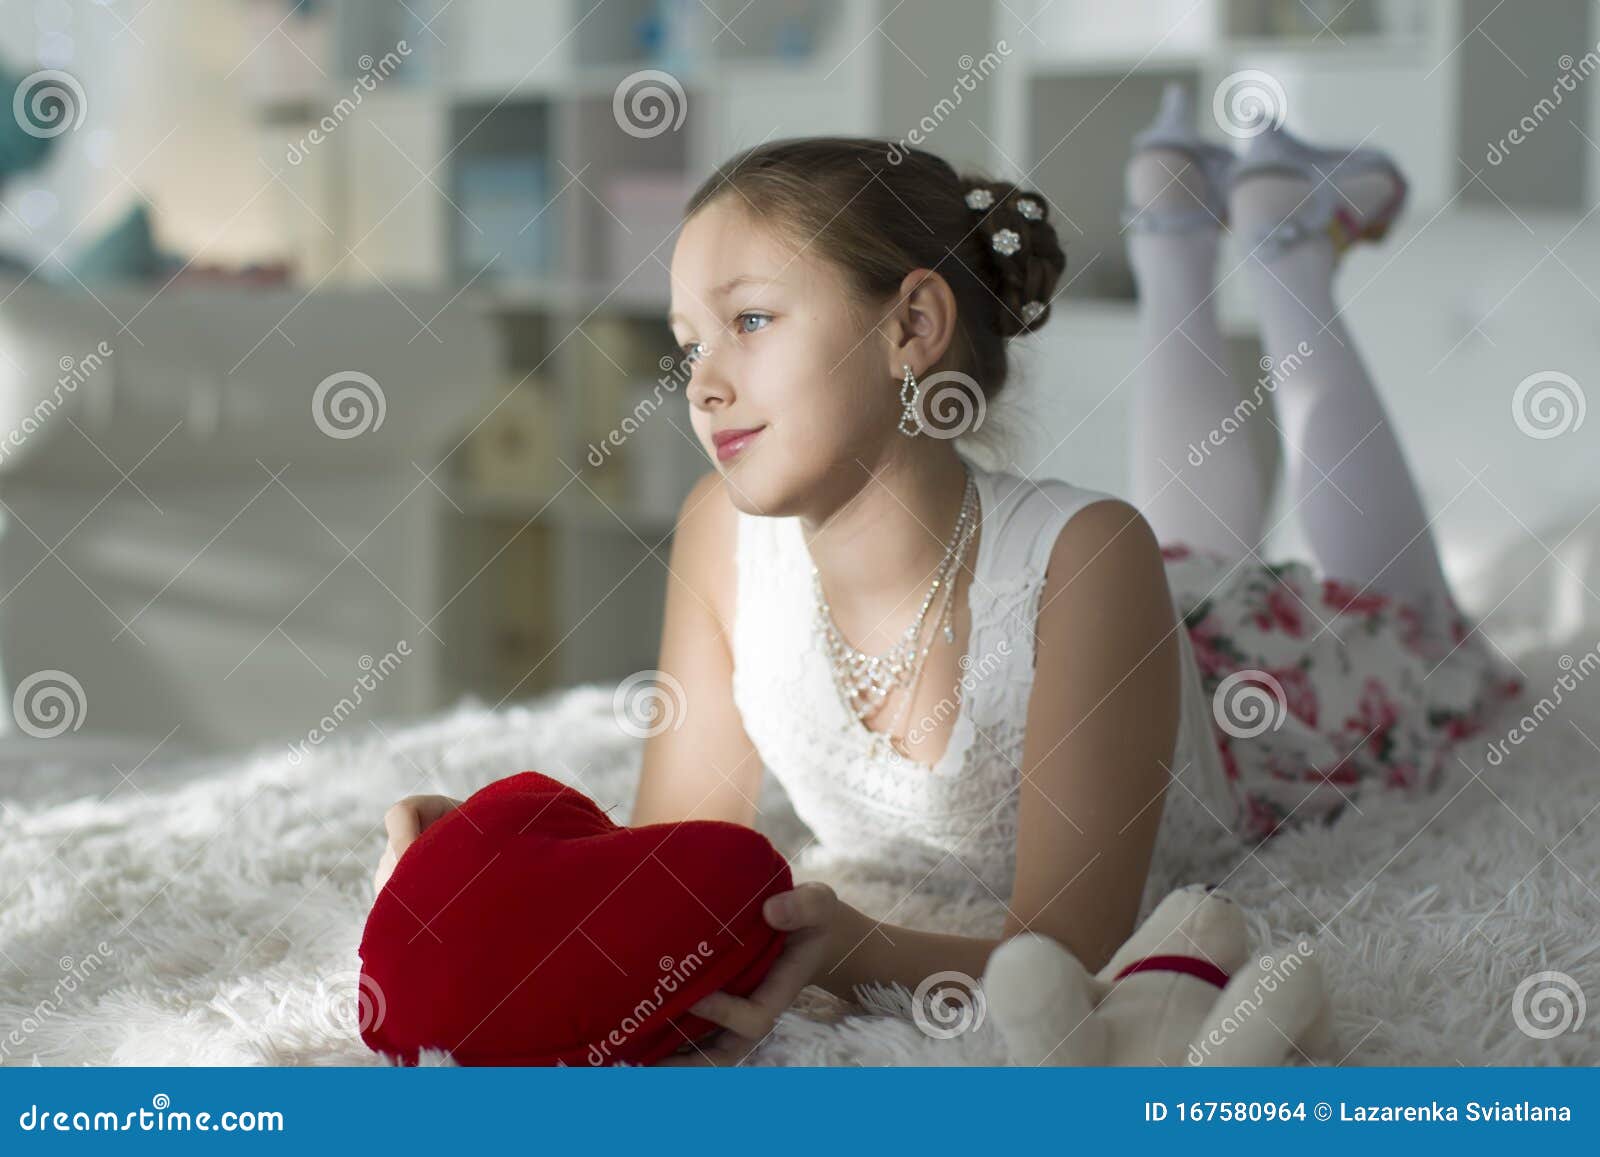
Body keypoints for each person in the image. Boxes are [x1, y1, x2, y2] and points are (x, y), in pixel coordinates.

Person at [376, 91, 1523, 1064]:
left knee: (1412, 633)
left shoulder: (1086, 557)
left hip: (1284, 675)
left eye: (752, 321)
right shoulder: (720, 537)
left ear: (911, 323)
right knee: (1174, 552)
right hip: (1148, 610)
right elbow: (668, 853)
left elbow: (1068, 950)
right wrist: (493, 872)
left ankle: (1284, 246)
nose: (703, 384)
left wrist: (864, 943)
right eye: (689, 341)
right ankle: (1173, 218)